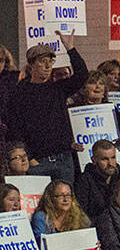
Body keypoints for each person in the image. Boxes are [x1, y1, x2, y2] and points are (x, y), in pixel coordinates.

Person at [6, 37, 87, 183]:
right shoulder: (19, 93)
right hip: (38, 162)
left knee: (66, 197)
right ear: (32, 64)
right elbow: (15, 129)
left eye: (50, 61)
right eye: (42, 61)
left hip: (63, 160)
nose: (48, 65)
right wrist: (30, 158)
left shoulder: (58, 88)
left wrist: (70, 48)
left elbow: (82, 75)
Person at [73, 139, 120, 220]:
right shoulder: (84, 180)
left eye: (113, 158)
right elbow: (81, 213)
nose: (110, 163)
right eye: (105, 159)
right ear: (94, 160)